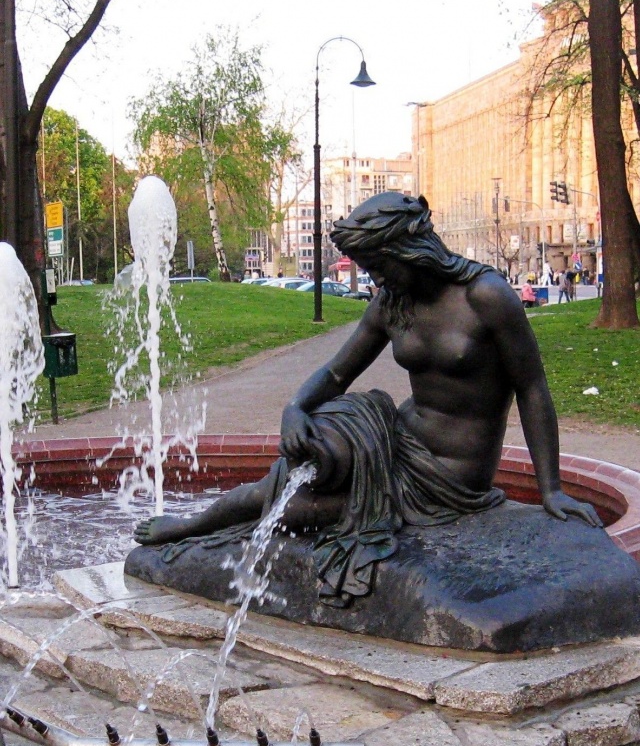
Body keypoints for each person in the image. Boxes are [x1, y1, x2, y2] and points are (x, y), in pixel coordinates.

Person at [134, 193, 600, 603]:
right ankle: (193, 525)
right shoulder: (391, 301)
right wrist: (295, 409)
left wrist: (550, 489)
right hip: (393, 436)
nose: (375, 277)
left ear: (409, 250)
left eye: (379, 265)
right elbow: (337, 373)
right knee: (303, 459)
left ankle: (199, 530)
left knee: (296, 510)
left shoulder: (487, 296)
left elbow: (532, 389)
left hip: (449, 474)